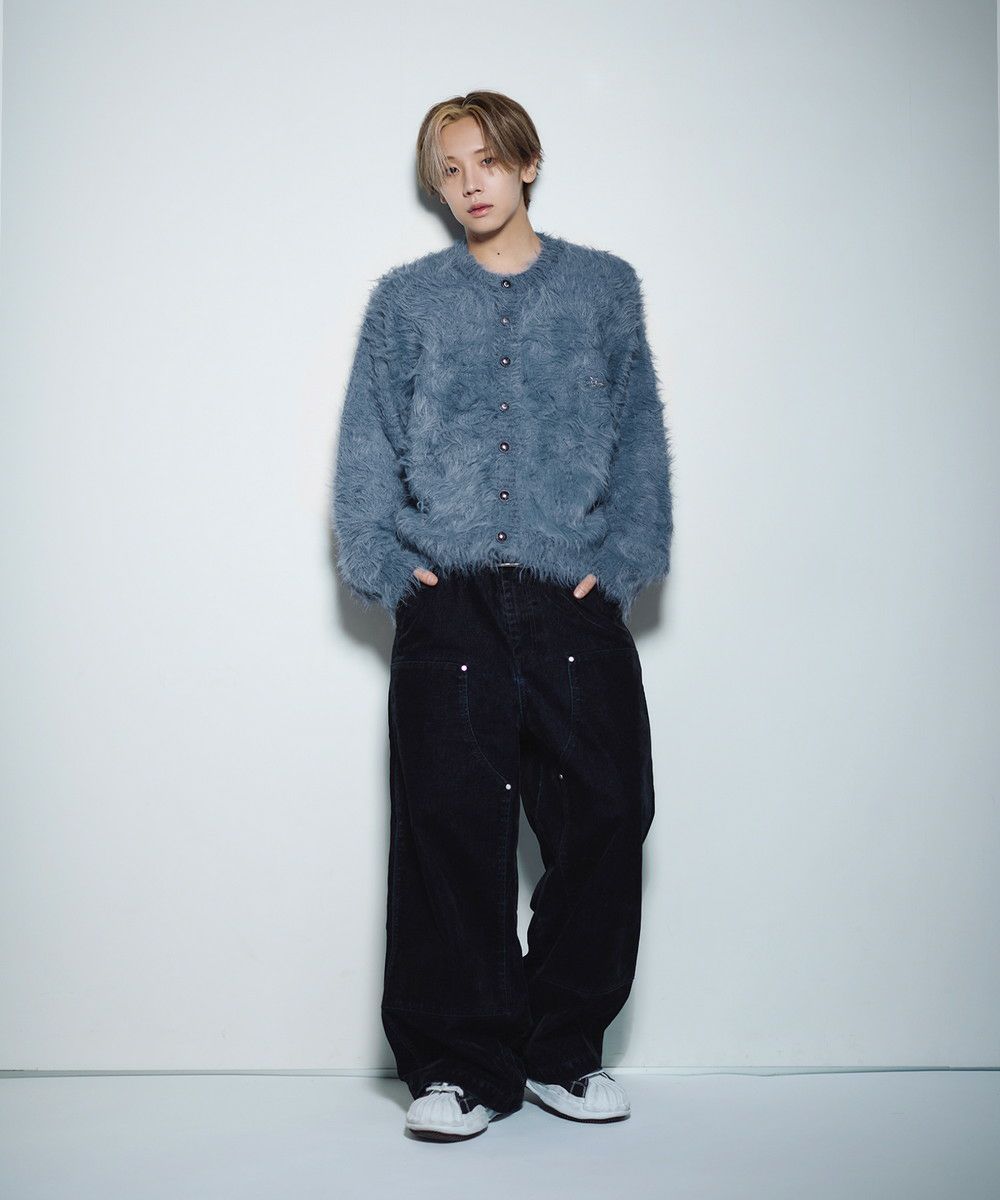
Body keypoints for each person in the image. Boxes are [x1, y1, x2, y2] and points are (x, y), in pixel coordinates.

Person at [331, 90, 674, 1142]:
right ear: (436, 188)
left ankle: (561, 1050)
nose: (470, 182)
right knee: (450, 828)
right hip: (452, 603)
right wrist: (385, 565)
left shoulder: (604, 288)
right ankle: (457, 1067)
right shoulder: (407, 302)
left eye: (486, 159)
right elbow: (366, 442)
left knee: (607, 814)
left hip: (572, 598)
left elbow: (638, 436)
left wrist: (621, 560)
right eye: (449, 169)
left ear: (526, 163)